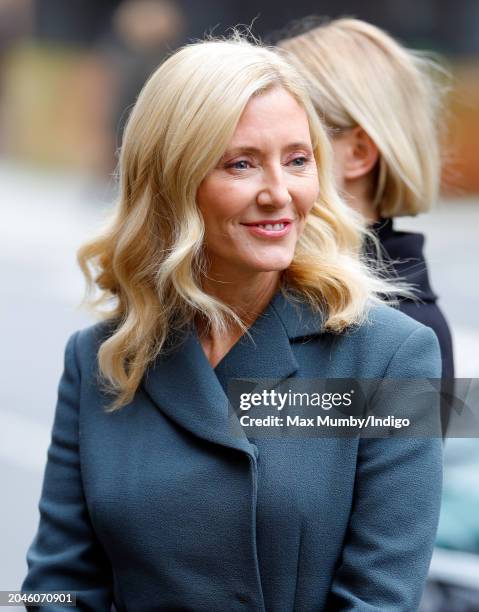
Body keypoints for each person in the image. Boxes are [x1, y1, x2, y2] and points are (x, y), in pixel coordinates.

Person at [22, 34, 442, 611]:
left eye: (298, 161)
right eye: (241, 164)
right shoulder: (99, 357)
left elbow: (381, 597)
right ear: (172, 180)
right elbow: (59, 585)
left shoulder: (394, 356)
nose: (280, 193)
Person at [277, 17, 454, 380]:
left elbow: (253, 430)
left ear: (357, 153)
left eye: (295, 149)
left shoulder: (405, 332)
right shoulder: (280, 283)